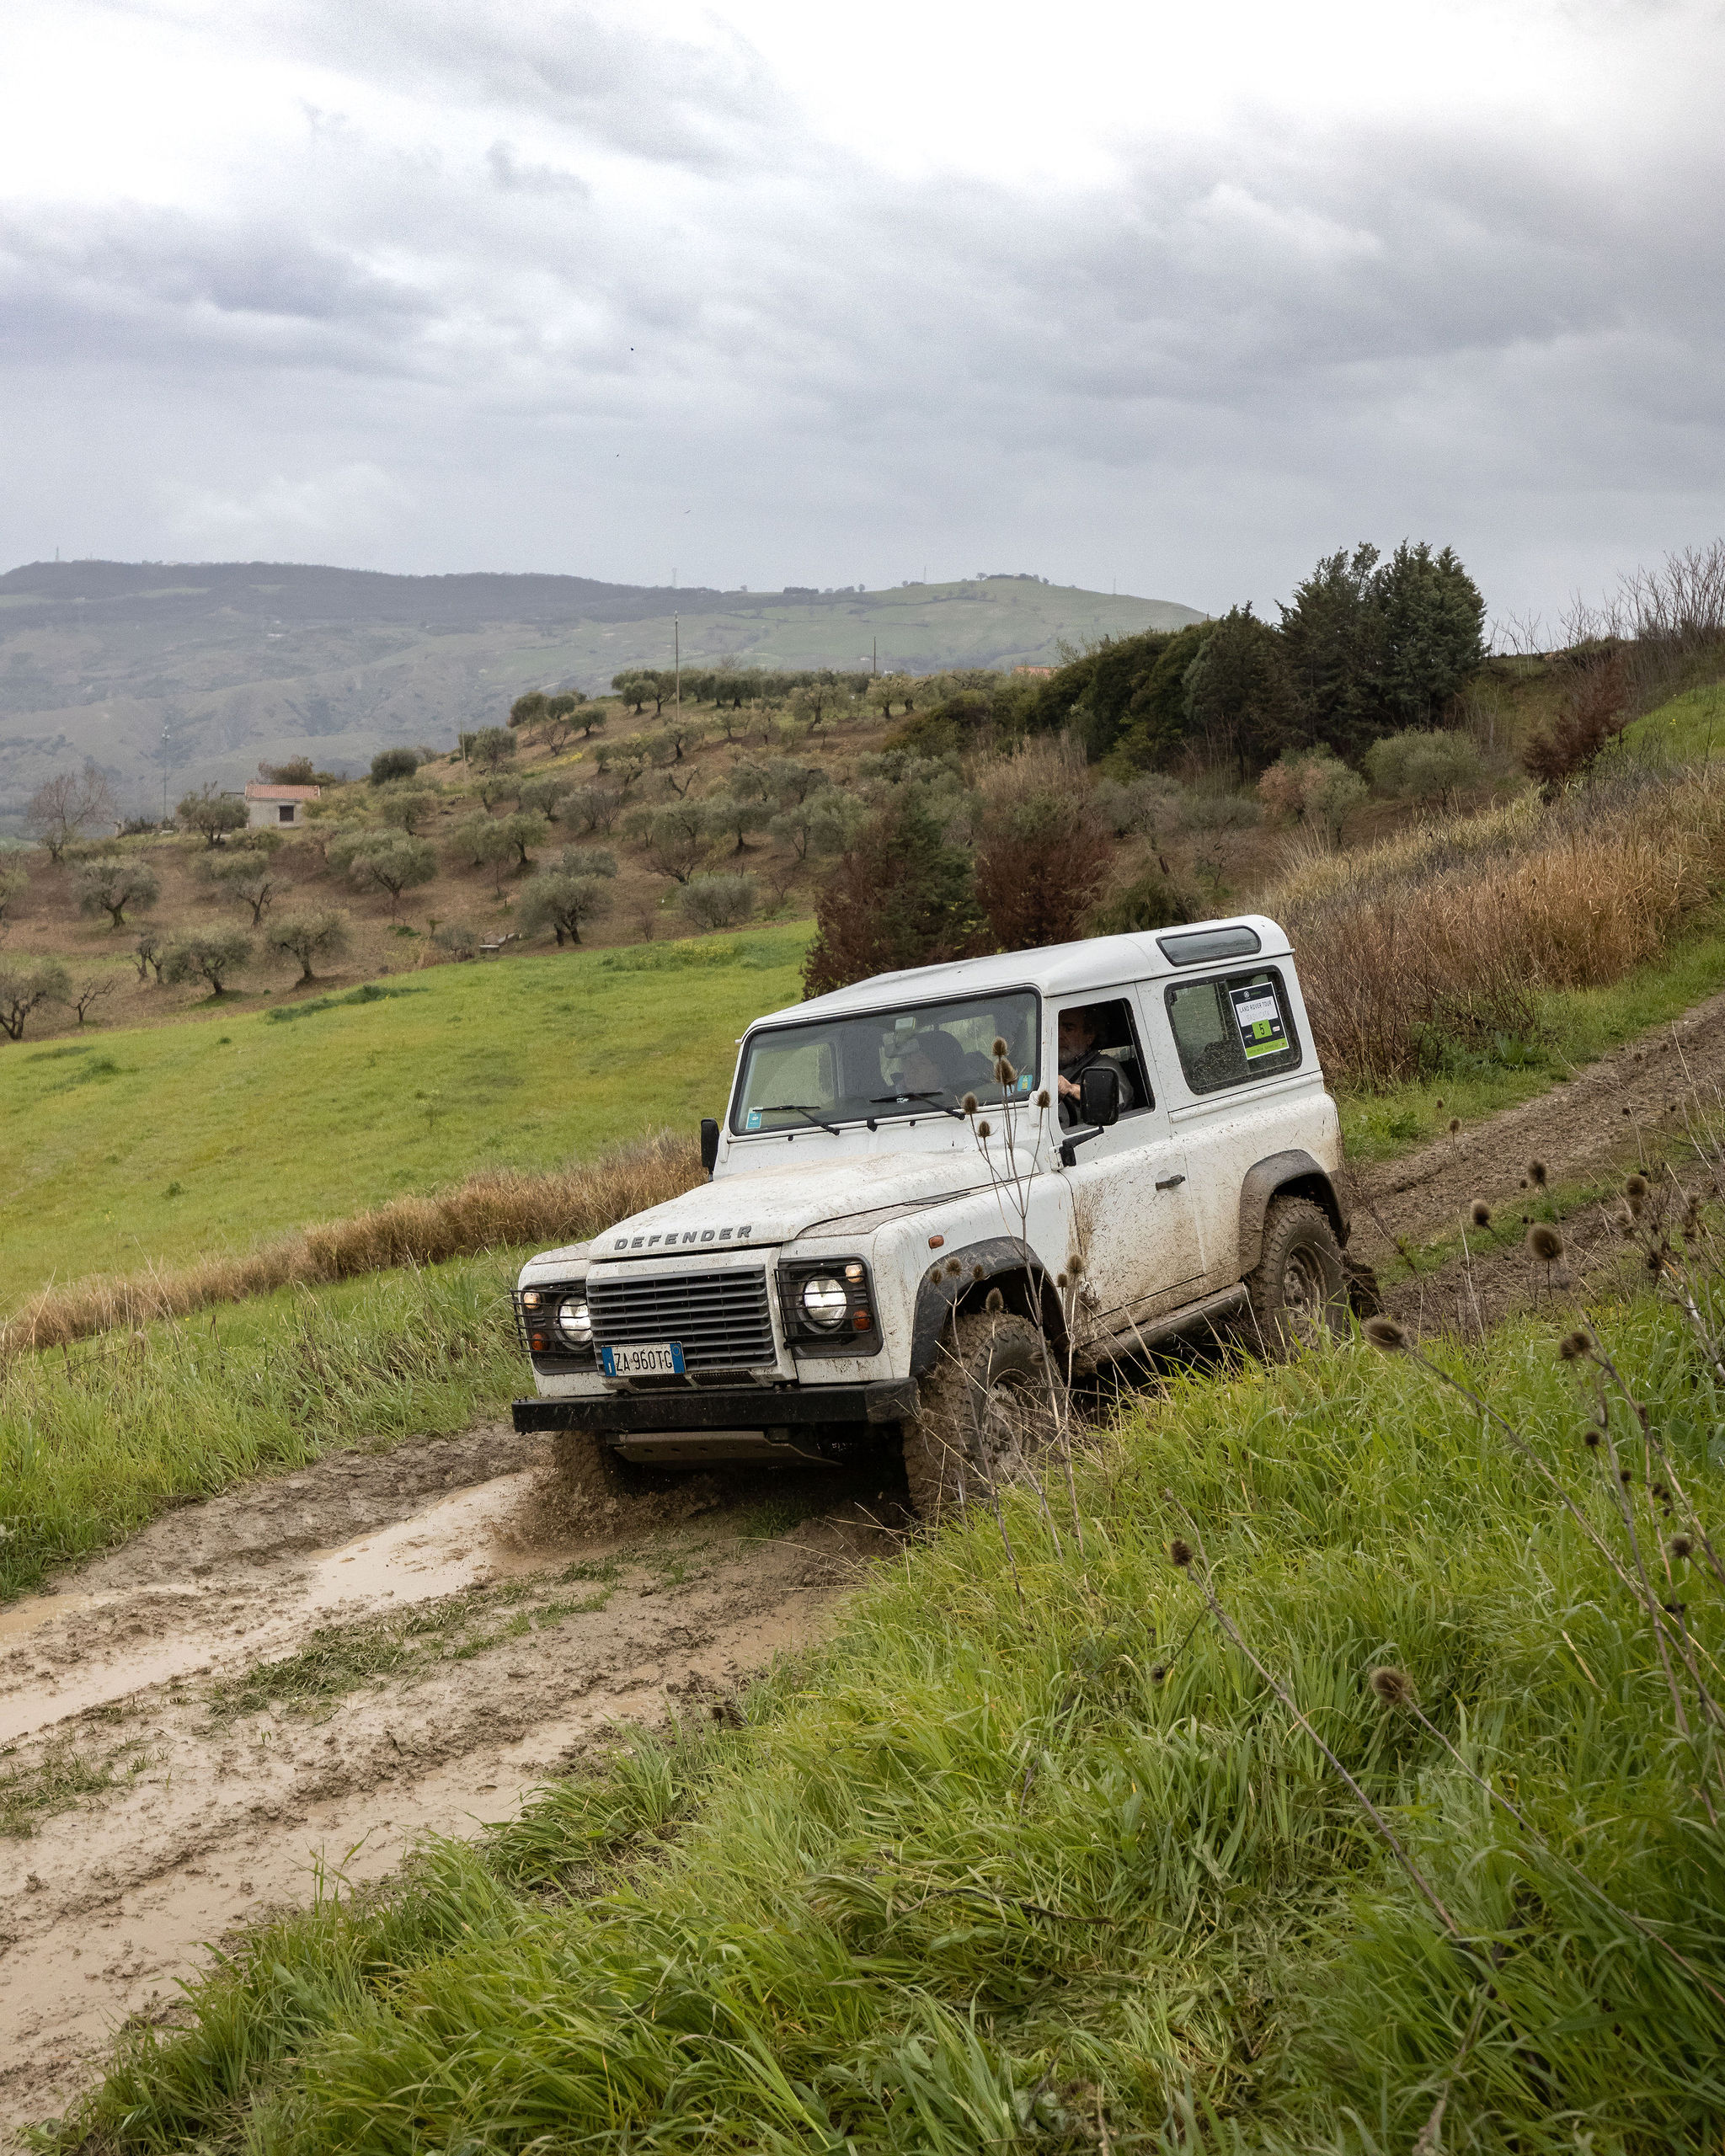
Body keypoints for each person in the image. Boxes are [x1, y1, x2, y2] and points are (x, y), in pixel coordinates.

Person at [1056, 1006, 1135, 1127]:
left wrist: (1071, 1089)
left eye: (1068, 1028)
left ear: (1089, 1036)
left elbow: (1110, 1100)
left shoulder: (1106, 1067)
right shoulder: (1053, 1068)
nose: (1059, 1035)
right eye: (1056, 1028)